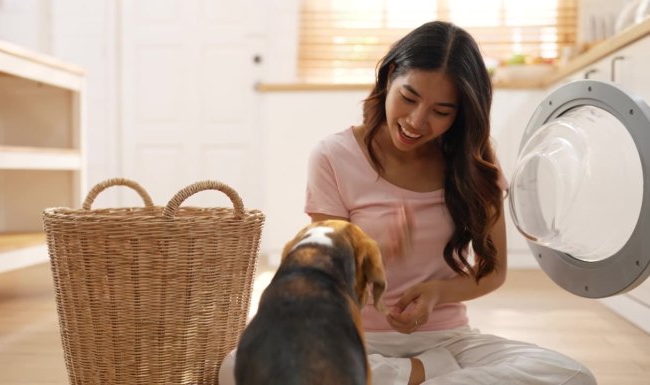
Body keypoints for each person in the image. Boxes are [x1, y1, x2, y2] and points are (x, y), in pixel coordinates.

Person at [219, 20, 596, 385]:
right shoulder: (333, 155)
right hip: (355, 342)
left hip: (447, 342)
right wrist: (375, 252)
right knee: (236, 367)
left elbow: (493, 272)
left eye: (441, 111)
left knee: (574, 376)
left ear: (461, 112)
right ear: (390, 76)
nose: (417, 121)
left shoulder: (474, 164)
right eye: (409, 98)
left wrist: (439, 292)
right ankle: (421, 374)